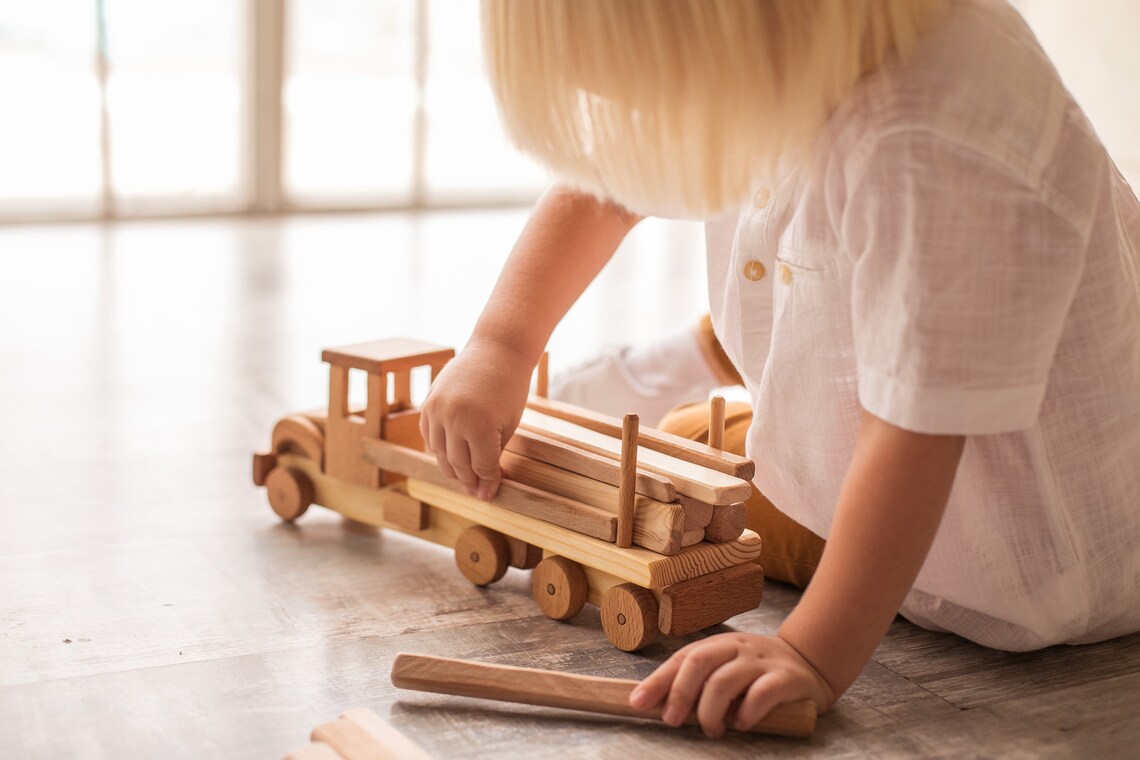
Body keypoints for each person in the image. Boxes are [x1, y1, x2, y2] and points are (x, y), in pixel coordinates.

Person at [420, 0, 1140, 738]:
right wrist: (501, 345)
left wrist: (811, 653)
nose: (658, 125)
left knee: (692, 486)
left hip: (1024, 558)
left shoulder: (933, 141)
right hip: (877, 449)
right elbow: (607, 187)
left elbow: (918, 433)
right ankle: (705, 380)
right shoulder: (785, 50)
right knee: (688, 443)